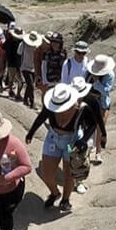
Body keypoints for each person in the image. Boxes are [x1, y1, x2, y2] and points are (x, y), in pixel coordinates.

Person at [25, 83, 83, 213]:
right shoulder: (51, 105)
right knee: (47, 173)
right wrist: (31, 133)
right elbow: (42, 117)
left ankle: (65, 199)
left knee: (69, 173)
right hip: (53, 138)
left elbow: (91, 124)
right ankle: (55, 193)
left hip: (70, 142)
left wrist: (83, 142)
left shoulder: (79, 109)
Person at [69, 77, 107, 193]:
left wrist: (103, 134)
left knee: (83, 152)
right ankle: (70, 173)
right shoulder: (69, 99)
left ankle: (79, 181)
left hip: (88, 128)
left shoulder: (93, 100)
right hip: (73, 129)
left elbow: (97, 120)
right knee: (70, 151)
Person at [85, 54, 116, 165]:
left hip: (102, 103)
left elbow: (106, 90)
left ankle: (98, 152)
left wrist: (97, 82)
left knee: (100, 126)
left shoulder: (110, 75)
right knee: (88, 126)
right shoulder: (88, 72)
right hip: (89, 101)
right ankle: (87, 150)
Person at [18, 30, 42, 109]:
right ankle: (32, 102)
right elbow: (19, 53)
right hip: (25, 67)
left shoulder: (37, 46)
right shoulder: (23, 44)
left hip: (33, 68)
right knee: (31, 85)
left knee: (30, 85)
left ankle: (25, 99)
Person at [4, 24, 24, 100]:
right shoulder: (20, 42)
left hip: (14, 63)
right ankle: (14, 92)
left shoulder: (9, 41)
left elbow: (4, 49)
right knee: (15, 80)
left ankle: (14, 92)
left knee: (15, 79)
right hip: (14, 63)